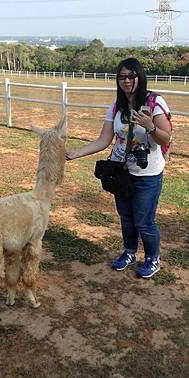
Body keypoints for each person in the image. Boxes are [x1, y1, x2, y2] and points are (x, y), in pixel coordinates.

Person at [66, 57, 172, 278]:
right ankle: (130, 252)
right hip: (121, 171)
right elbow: (104, 140)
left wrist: (150, 126)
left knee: (144, 220)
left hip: (148, 173)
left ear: (139, 77)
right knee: (126, 216)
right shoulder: (116, 107)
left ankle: (153, 258)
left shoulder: (154, 102)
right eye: (122, 77)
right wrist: (77, 153)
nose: (126, 81)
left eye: (131, 76)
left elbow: (165, 138)